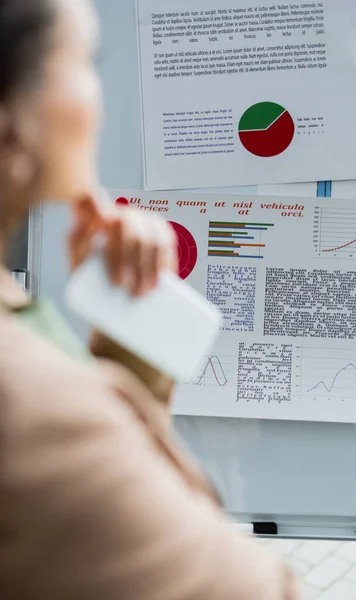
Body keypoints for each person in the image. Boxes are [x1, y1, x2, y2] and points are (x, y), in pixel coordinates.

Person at [0, 1, 302, 599]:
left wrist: (128, 360)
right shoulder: (26, 406)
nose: (99, 95)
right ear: (15, 124)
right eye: (86, 62)